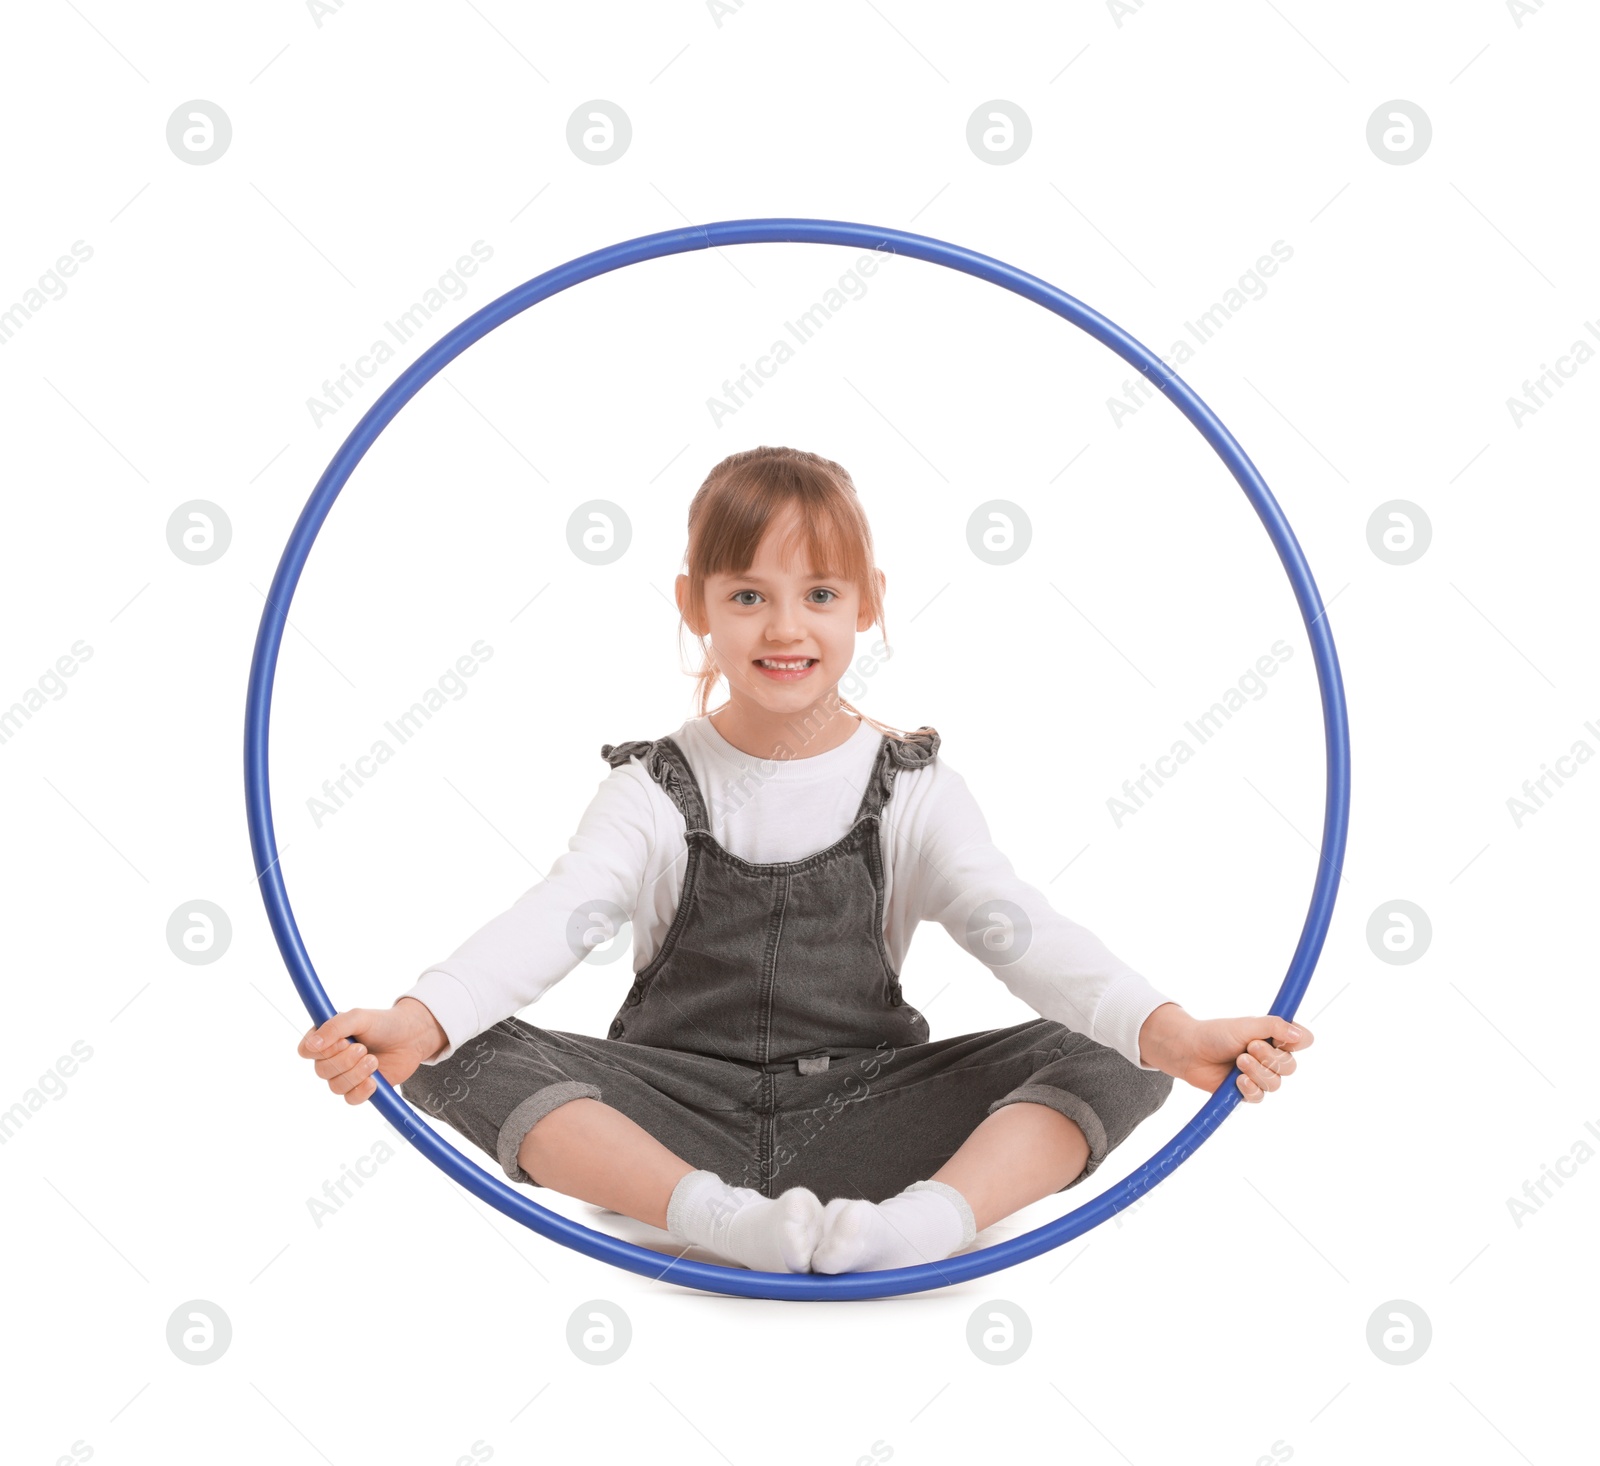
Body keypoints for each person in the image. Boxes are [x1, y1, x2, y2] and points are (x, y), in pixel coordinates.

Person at [297, 445, 1313, 1275]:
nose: (785, 627)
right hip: (670, 1116)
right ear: (695, 603)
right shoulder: (651, 788)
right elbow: (556, 915)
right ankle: (713, 1215)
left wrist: (1171, 1032)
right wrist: (416, 1019)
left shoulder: (911, 785)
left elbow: (1016, 926)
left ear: (865, 601)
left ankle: (928, 1222)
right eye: (747, 595)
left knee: (1108, 1049)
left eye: (818, 592)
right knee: (454, 1048)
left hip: (867, 1107)